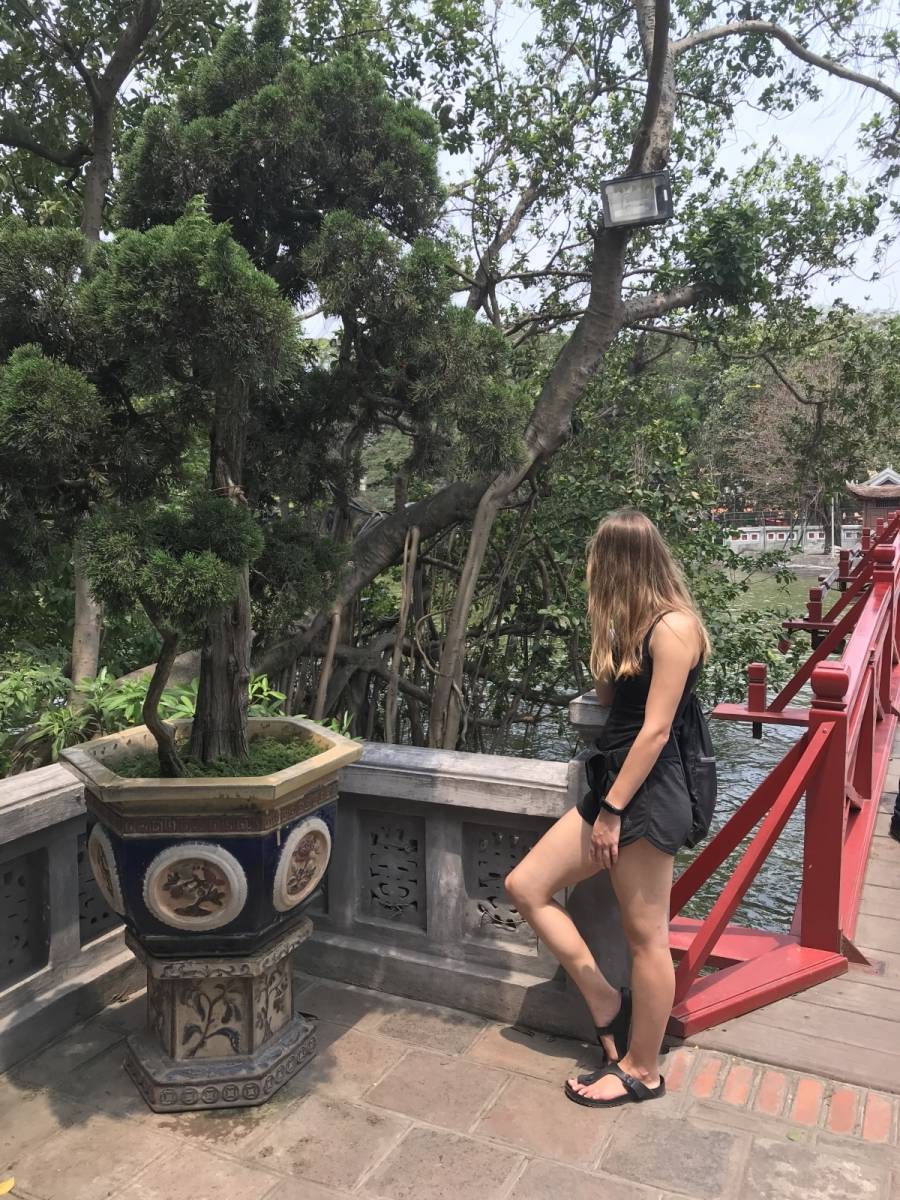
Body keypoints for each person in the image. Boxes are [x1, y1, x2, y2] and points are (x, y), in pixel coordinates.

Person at [505, 508, 710, 1108]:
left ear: (618, 562)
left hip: (646, 793)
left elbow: (656, 730)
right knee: (526, 886)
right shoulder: (632, 629)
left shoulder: (675, 628)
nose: (590, 572)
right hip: (614, 785)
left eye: (596, 561)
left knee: (646, 937)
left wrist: (613, 811)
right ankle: (603, 998)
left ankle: (643, 1070)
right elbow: (608, 698)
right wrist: (607, 632)